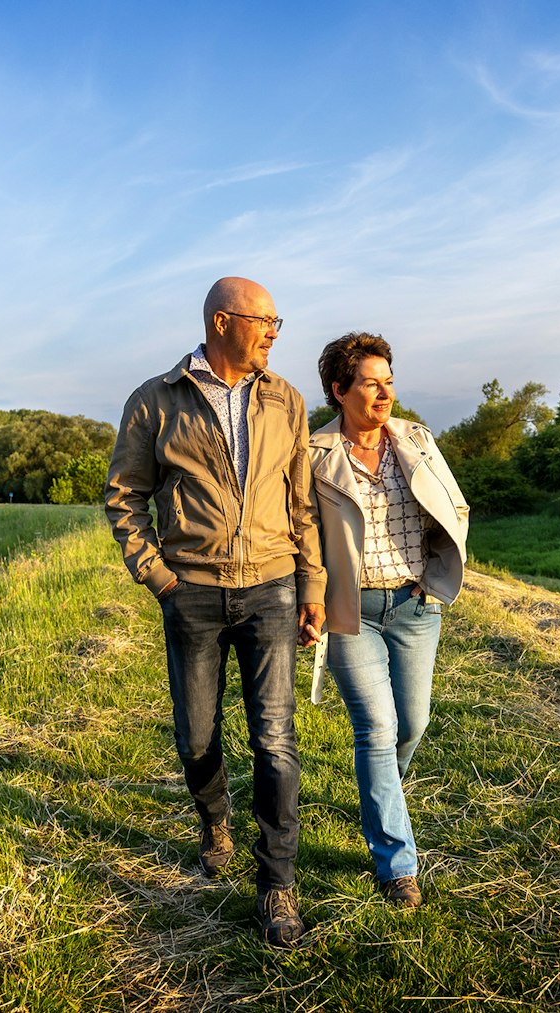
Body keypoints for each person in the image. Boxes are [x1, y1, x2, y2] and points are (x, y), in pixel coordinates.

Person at [105, 277, 326, 948]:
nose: (275, 331)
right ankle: (215, 822)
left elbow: (301, 501)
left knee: (275, 739)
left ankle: (277, 885)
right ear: (224, 321)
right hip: (192, 592)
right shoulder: (156, 399)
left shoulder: (285, 398)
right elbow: (124, 496)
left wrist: (312, 586)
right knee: (198, 736)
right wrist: (159, 575)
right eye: (266, 320)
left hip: (272, 587)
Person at [307, 332, 469, 908]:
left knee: (413, 725)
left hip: (415, 606)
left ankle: (381, 795)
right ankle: (397, 864)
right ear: (339, 390)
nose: (384, 393)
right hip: (352, 612)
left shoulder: (417, 440)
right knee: (375, 730)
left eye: (389, 381)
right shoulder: (314, 455)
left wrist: (436, 575)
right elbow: (303, 535)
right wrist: (312, 597)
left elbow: (452, 504)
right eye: (370, 383)